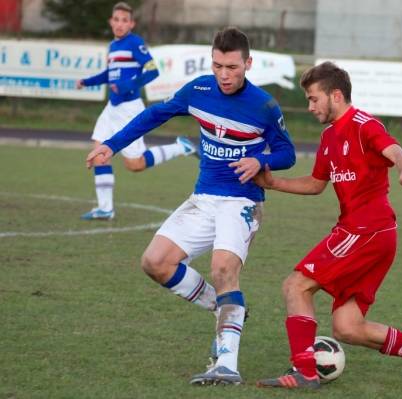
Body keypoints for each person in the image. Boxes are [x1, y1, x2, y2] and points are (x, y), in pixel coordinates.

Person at [85, 27, 296, 385]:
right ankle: (227, 309)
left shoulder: (264, 105)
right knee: (155, 262)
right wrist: (113, 144)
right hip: (203, 198)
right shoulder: (198, 89)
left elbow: (287, 153)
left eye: (232, 66)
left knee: (223, 269)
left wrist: (262, 161)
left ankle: (226, 365)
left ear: (248, 63)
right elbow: (155, 116)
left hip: (242, 200)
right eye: (217, 66)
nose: (224, 75)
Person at [254, 62, 402, 394]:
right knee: (347, 327)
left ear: (335, 95)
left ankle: (304, 371)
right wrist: (272, 182)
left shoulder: (364, 124)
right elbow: (315, 184)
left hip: (365, 232)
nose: (310, 107)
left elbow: (396, 151)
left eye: (313, 99)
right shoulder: (328, 137)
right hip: (373, 236)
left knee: (295, 286)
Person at [78, 1, 197, 221]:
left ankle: (181, 147)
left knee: (135, 164)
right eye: (116, 19)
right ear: (111, 22)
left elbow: (153, 70)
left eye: (125, 20)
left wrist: (128, 86)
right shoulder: (113, 46)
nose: (120, 24)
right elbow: (109, 74)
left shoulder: (135, 43)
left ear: (131, 24)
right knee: (99, 151)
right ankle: (105, 208)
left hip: (129, 109)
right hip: (111, 108)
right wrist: (87, 81)